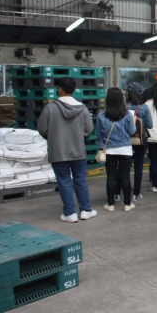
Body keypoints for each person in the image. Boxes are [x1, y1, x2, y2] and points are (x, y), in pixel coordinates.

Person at [37, 77, 96, 223]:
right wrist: (79, 137)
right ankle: (85, 210)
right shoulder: (82, 109)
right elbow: (89, 129)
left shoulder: (50, 108)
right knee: (80, 180)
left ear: (60, 89)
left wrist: (54, 137)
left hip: (58, 151)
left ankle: (70, 213)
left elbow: (42, 128)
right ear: (73, 90)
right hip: (78, 151)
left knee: (64, 181)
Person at [98, 88, 137, 212]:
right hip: (125, 149)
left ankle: (110, 204)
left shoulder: (101, 115)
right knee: (125, 176)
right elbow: (132, 131)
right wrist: (134, 122)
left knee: (111, 176)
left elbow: (98, 136)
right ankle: (127, 204)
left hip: (109, 150)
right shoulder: (127, 114)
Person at [123, 82, 153, 201]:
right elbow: (150, 125)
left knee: (124, 167)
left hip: (126, 139)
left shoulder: (124, 106)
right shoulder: (144, 107)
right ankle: (136, 193)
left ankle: (119, 192)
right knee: (138, 166)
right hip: (141, 139)